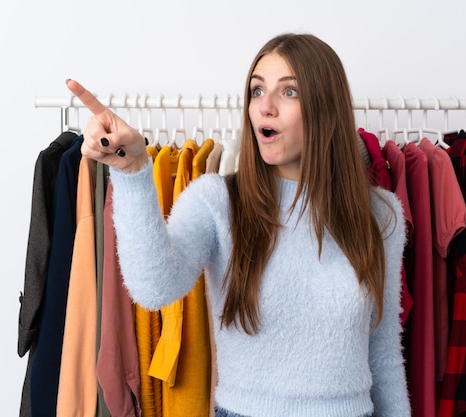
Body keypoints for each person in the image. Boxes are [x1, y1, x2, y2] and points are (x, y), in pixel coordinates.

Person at [67, 32, 411, 417]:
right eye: (257, 90)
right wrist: (132, 171)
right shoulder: (217, 201)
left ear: (326, 106)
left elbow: (383, 356)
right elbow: (153, 287)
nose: (265, 107)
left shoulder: (380, 215)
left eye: (289, 92)